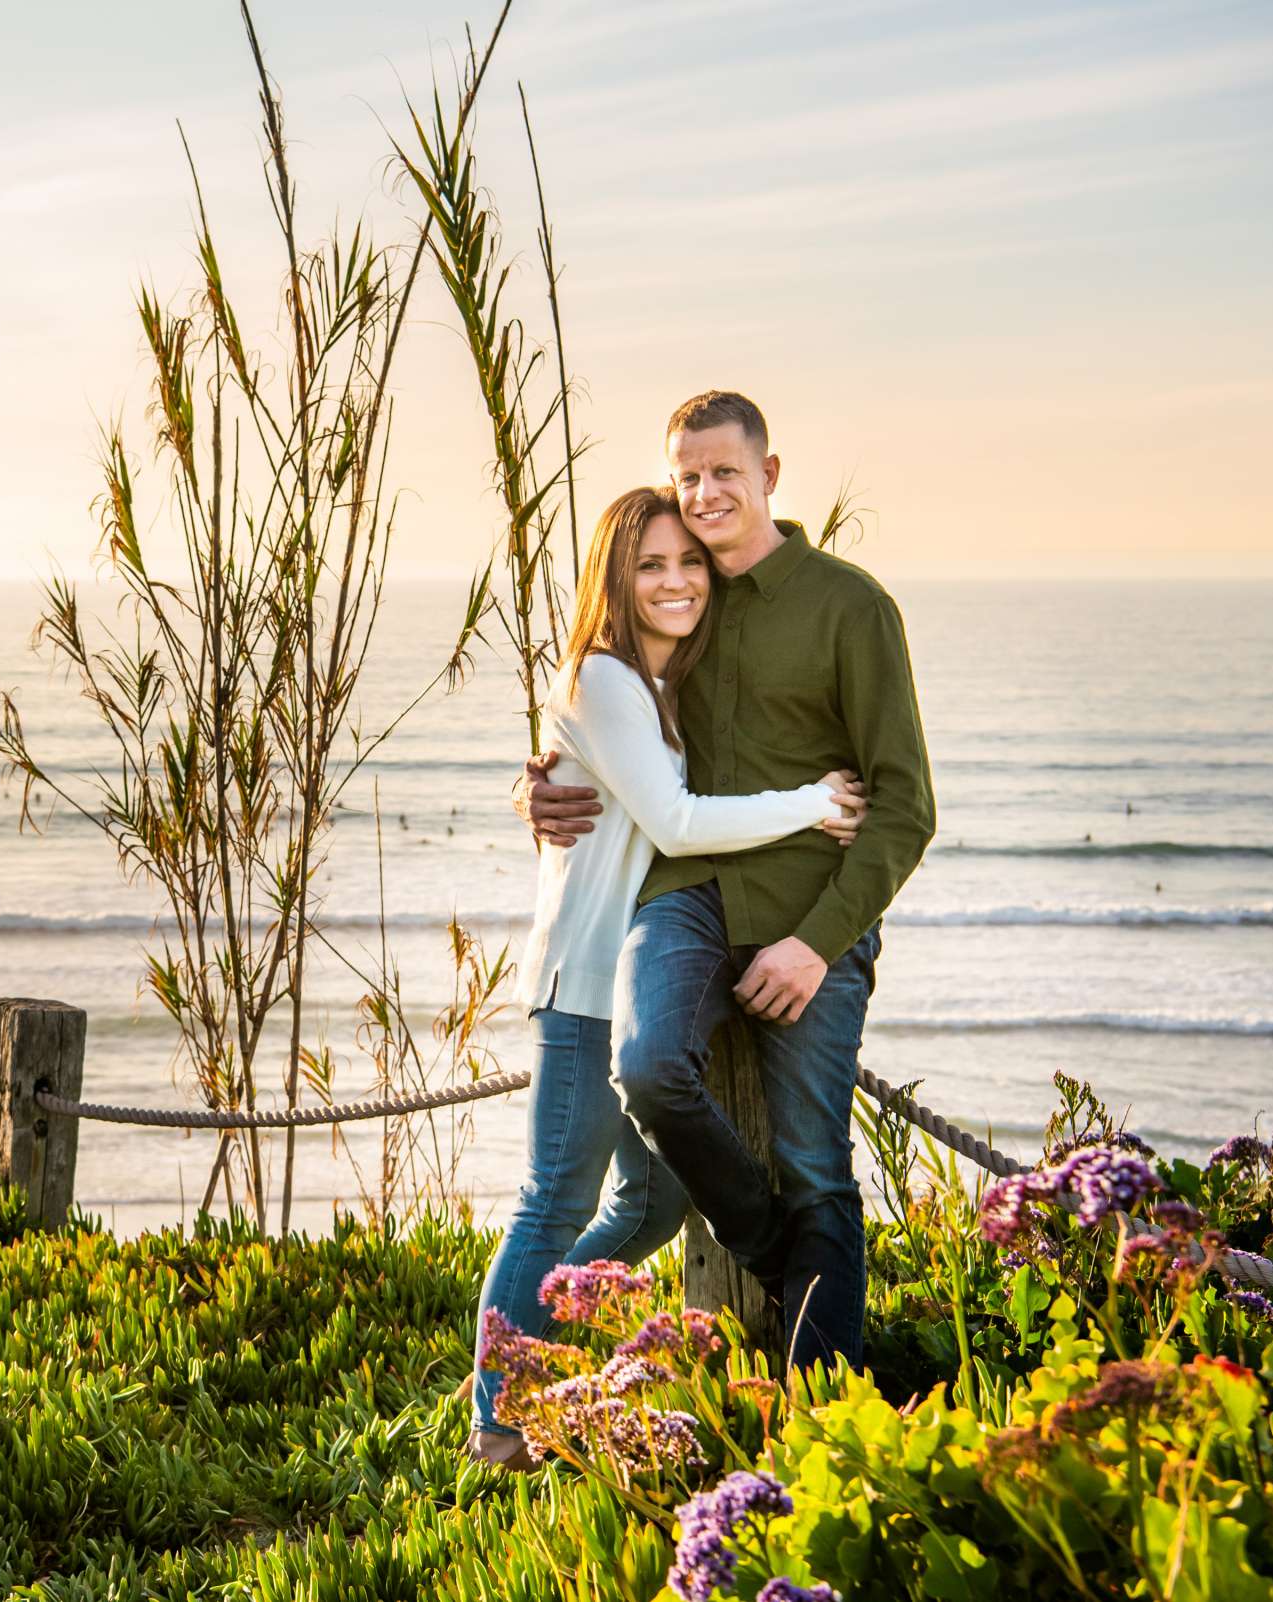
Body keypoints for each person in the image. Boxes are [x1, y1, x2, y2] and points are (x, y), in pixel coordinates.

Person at [521, 390, 935, 1377]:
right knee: (652, 1067)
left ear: (770, 476)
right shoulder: (678, 597)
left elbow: (905, 808)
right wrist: (536, 786)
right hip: (686, 895)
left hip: (808, 913)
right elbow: (602, 722)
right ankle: (787, 1263)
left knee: (812, 1165)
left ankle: (823, 1410)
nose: (704, 494)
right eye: (688, 475)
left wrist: (818, 943)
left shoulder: (851, 606)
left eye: (725, 474)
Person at [468, 482, 867, 1469]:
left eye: (691, 561)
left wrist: (531, 777)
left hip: (632, 978)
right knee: (551, 1204)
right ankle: (497, 1422)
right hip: (585, 983)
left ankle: (537, 1358)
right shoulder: (603, 678)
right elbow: (678, 822)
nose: (678, 580)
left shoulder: (659, 684)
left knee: (651, 1206)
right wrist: (814, 801)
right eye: (652, 564)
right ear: (617, 574)